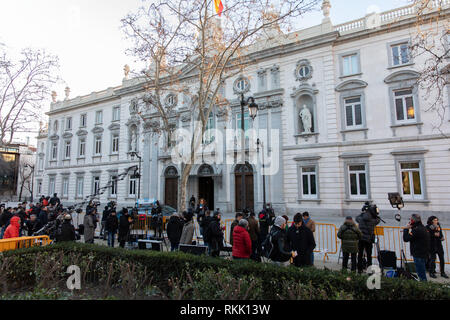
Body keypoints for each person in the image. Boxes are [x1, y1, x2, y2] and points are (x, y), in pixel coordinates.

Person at [403, 214, 430, 282]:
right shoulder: (422, 227)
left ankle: (423, 288)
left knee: (421, 274)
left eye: (410, 220)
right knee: (422, 272)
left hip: (418, 254)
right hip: (424, 253)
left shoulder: (416, 230)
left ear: (412, 220)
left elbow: (406, 239)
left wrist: (406, 229)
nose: (409, 221)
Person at [356, 204, 380, 273]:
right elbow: (378, 220)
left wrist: (362, 213)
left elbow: (356, 218)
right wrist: (375, 214)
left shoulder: (361, 219)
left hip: (361, 239)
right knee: (369, 255)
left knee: (360, 254)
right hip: (369, 239)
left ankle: (359, 269)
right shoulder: (372, 220)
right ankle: (369, 270)